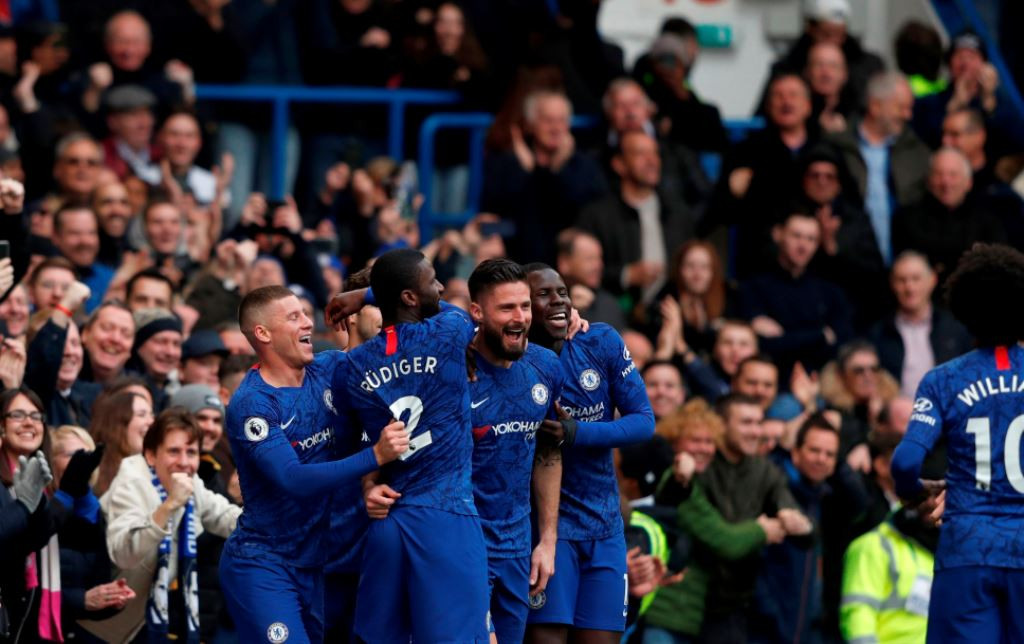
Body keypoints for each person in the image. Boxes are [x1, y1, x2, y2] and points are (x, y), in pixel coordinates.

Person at [219, 284, 407, 643]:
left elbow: (398, 341)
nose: (308, 323)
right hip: (263, 563)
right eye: (294, 317)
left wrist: (367, 296)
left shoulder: (330, 369)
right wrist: (376, 456)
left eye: (305, 313)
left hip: (317, 563)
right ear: (263, 333)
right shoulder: (253, 403)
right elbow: (293, 478)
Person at [324, 248, 490, 642]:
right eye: (431, 279)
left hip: (388, 523)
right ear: (410, 298)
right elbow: (452, 309)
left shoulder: (352, 366)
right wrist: (364, 296)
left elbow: (353, 445)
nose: (440, 286)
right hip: (446, 517)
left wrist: (367, 484)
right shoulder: (450, 331)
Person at [892, 243, 1024, 642]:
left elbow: (904, 463)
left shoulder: (943, 380)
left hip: (968, 550)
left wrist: (915, 494)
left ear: (964, 307)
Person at [522, 263, 655, 643]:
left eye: (562, 292)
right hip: (548, 533)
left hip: (605, 528)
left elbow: (644, 421)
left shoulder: (601, 342)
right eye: (543, 294)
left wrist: (577, 432)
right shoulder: (510, 357)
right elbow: (456, 314)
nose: (559, 300)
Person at [459, 259, 565, 643]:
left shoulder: (546, 367)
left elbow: (548, 453)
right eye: (506, 308)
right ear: (477, 312)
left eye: (524, 306)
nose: (519, 317)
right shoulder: (454, 372)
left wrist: (547, 540)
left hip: (518, 548)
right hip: (463, 544)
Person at [83, 408, 240, 642]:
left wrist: (272, 521)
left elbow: (223, 515)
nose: (184, 462)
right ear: (151, 455)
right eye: (174, 451)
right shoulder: (131, 482)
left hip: (136, 624)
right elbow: (124, 553)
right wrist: (168, 506)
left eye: (191, 452)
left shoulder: (190, 480)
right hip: (97, 626)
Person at [750, 415, 840, 643]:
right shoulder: (772, 492)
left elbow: (861, 501)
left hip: (806, 630)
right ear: (796, 452)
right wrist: (769, 613)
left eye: (829, 454)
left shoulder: (826, 500)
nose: (821, 459)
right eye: (814, 450)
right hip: (765, 629)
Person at [827, 71, 930, 265]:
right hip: (850, 262)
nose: (908, 115)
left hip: (904, 264)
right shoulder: (837, 146)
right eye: (901, 108)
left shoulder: (918, 152)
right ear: (875, 106)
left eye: (909, 108)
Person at [738, 207, 853, 377]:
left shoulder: (830, 292)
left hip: (821, 380)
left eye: (811, 239)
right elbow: (764, 347)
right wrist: (820, 335)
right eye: (796, 236)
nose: (803, 246)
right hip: (772, 381)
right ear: (778, 234)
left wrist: (786, 338)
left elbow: (843, 345)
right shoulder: (754, 288)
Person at [892, 147, 1008, 285]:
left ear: (968, 182)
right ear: (929, 180)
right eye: (939, 174)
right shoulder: (907, 218)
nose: (946, 183)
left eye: (953, 175)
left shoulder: (988, 219)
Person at [869, 251, 973, 399]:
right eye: (901, 280)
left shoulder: (955, 329)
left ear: (932, 280)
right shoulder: (878, 333)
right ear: (892, 284)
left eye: (916, 279)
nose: (909, 288)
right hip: (897, 416)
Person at [556, 227, 627, 330]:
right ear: (564, 263)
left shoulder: (609, 303)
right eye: (590, 259)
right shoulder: (547, 302)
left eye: (599, 258)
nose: (599, 266)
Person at [90, 390, 154, 497]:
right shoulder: (93, 471)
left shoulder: (157, 470)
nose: (151, 422)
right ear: (117, 425)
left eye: (152, 415)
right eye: (142, 415)